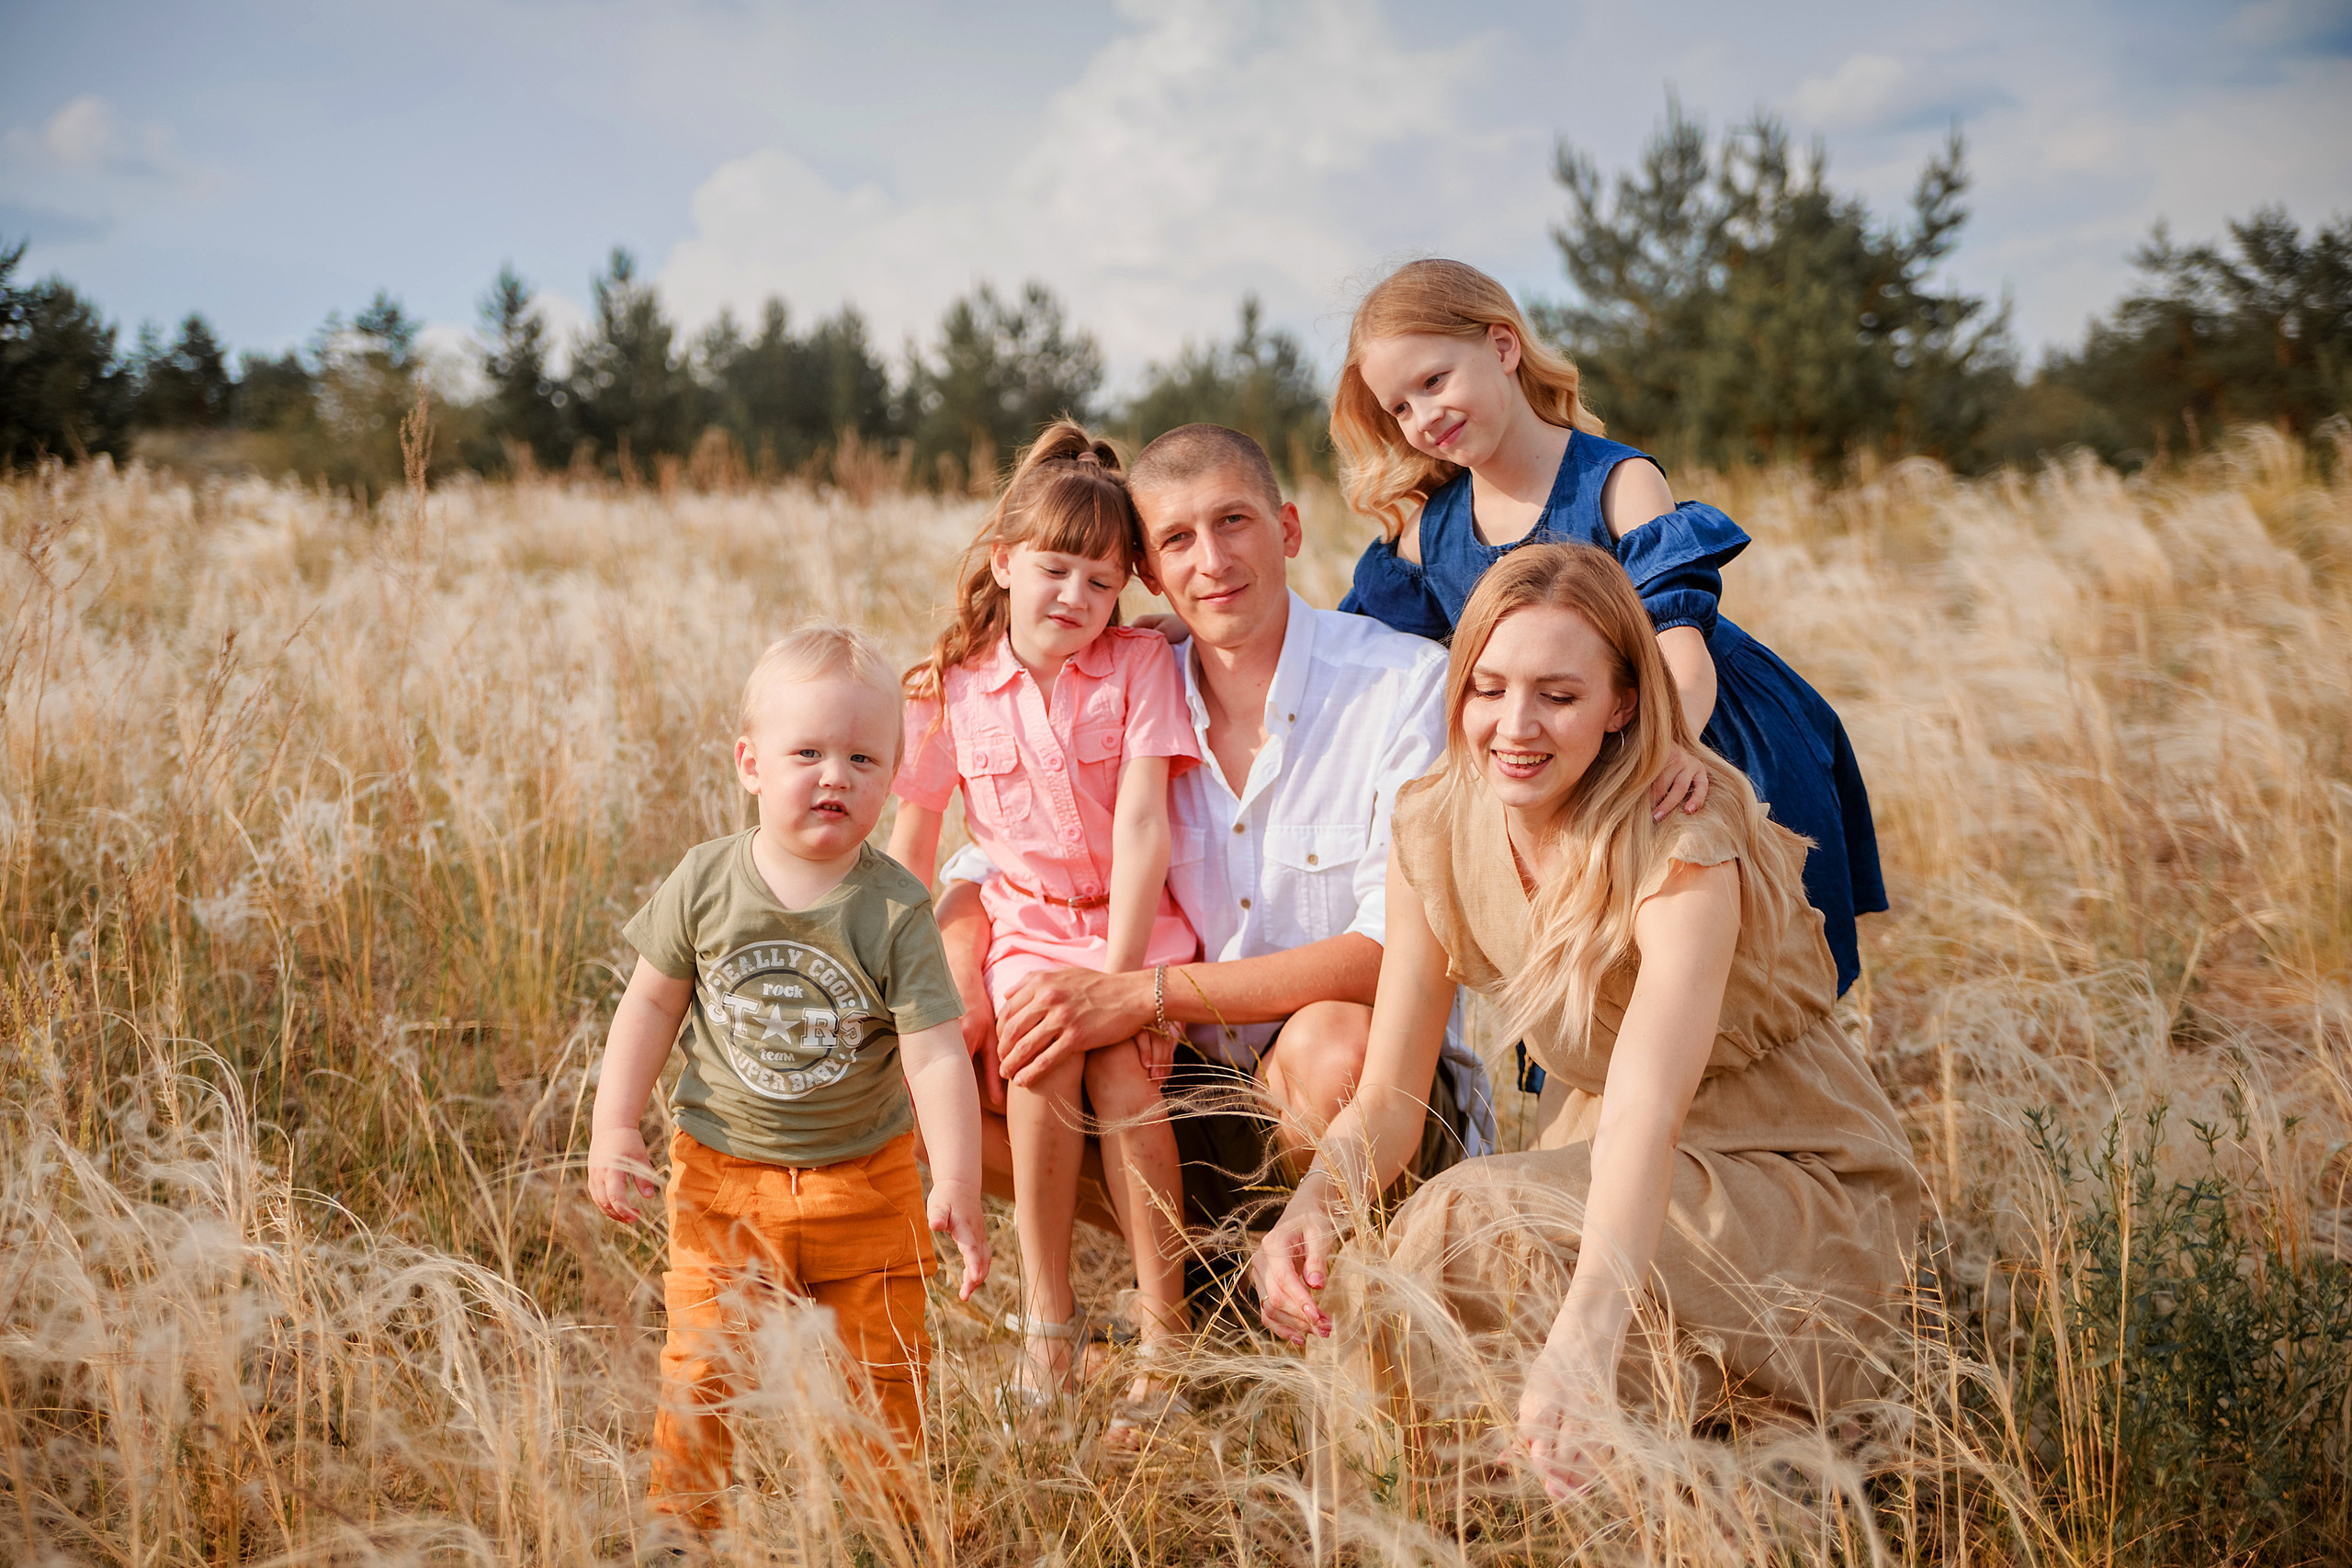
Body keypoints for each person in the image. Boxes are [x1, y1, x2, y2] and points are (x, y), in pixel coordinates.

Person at [1252, 544, 1918, 1495]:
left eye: (1557, 696)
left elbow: (1649, 1108)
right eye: (1486, 687)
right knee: (1382, 1282)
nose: (1512, 726)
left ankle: (1725, 1440)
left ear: (1622, 705)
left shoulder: (1680, 840)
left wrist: (1585, 1337)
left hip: (1783, 1169)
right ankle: (1404, 1522)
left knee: (1470, 1222)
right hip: (1601, 1158)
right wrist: (1312, 1205)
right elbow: (1391, 1099)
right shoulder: (1433, 826)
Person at [935, 423, 1497, 1251]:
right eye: (1176, 539)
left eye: (1233, 521)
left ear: (1289, 529)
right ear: (1150, 573)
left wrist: (1144, 993)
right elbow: (1003, 853)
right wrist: (959, 974)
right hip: (1181, 1083)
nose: (1211, 560)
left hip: (1363, 1099)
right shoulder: (1129, 687)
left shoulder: (1401, 687)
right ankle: (1200, 1275)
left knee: (1329, 1044)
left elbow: (1397, 951)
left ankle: (1342, 1270)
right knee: (934, 1061)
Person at [1333, 257, 1887, 997]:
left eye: (1433, 381)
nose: (1422, 417)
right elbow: (1345, 642)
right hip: (1564, 751)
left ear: (1503, 347)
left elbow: (1681, 655)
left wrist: (1675, 747)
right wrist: (1191, 632)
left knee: (1741, 984)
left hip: (1692, 727)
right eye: (1399, 408)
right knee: (1596, 987)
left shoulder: (1616, 482)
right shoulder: (1430, 532)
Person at [586, 625, 989, 1540]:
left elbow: (931, 1051)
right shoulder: (707, 882)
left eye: (862, 757)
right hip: (723, 1181)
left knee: (888, 1376)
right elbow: (648, 1007)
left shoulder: (893, 908)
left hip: (870, 1187)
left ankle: (889, 1534)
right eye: (806, 752)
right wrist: (616, 1126)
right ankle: (681, 1533)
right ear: (750, 764)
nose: (834, 776)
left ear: (891, 778)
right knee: (700, 1367)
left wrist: (956, 1180)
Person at [885, 423, 1200, 1427]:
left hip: (1133, 927)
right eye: (1055, 569)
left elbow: (1146, 825)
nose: (1074, 597)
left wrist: (1119, 983)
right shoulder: (949, 689)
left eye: (1101, 582)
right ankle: (1049, 1322)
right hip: (1024, 926)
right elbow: (914, 846)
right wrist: (891, 965)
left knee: (1116, 1067)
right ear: (1005, 562)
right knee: (1036, 1057)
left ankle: (1165, 1332)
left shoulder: (1139, 669)